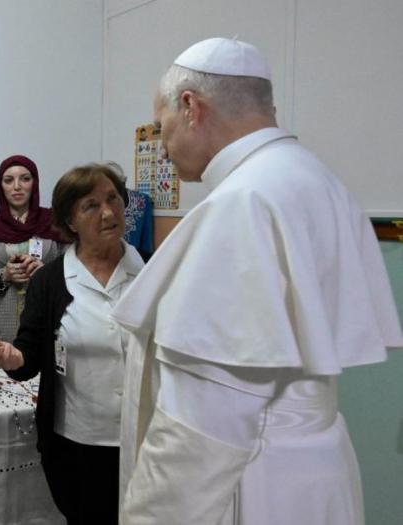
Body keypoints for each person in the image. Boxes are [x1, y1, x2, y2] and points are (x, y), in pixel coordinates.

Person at [110, 38, 403, 524]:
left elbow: (200, 431)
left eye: (162, 130)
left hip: (253, 484)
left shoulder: (241, 204)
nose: (162, 147)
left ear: (190, 107)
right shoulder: (316, 180)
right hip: (315, 476)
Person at [0, 163, 143, 523]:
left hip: (144, 440)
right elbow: (29, 355)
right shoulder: (51, 282)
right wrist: (15, 358)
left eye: (113, 199)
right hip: (78, 445)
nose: (108, 212)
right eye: (91, 205)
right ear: (71, 221)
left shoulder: (152, 272)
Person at [0, 154, 65, 345]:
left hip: (46, 317)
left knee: (44, 372)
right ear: (0, 186)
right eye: (9, 180)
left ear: (34, 184)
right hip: (0, 324)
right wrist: (4, 275)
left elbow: (73, 271)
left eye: (25, 179)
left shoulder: (53, 222)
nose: (17, 186)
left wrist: (46, 272)